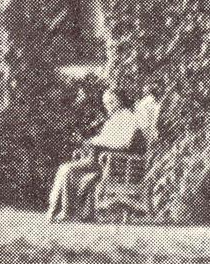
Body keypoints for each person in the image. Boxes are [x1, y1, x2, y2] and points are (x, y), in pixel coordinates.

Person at [48, 87, 142, 222]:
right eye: (106, 102)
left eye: (111, 102)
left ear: (120, 101)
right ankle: (57, 210)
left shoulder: (128, 118)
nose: (108, 105)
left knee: (67, 169)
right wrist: (93, 141)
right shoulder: (113, 119)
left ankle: (63, 211)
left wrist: (98, 142)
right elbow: (105, 138)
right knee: (65, 169)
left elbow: (125, 143)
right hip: (100, 159)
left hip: (111, 161)